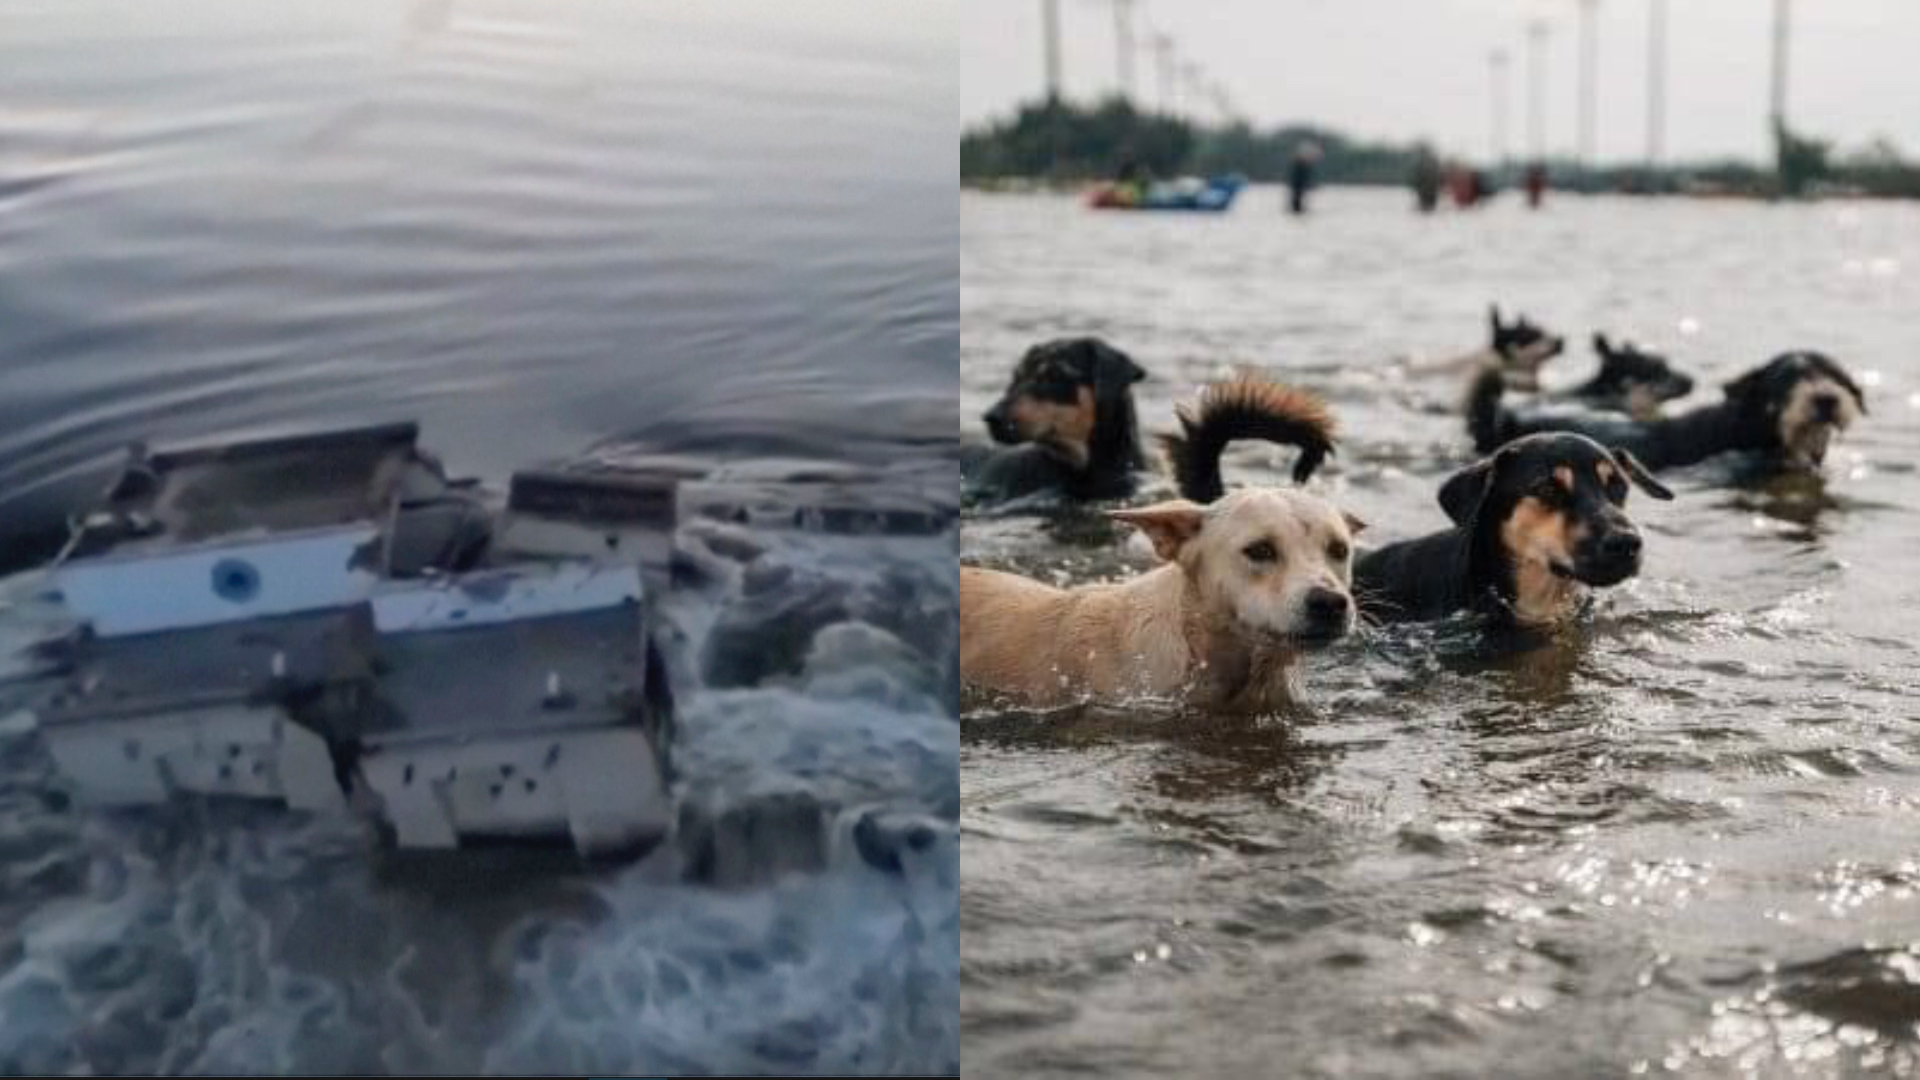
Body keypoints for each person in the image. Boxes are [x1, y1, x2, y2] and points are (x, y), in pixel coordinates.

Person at [1286, 140, 1322, 215]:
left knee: (1298, 199)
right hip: (1297, 186)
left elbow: (1305, 178)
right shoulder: (1300, 165)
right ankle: (1297, 210)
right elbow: (1298, 179)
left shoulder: (1303, 165)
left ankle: (1298, 209)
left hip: (1299, 187)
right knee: (1297, 199)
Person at [1410, 144, 1442, 212]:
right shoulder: (1424, 165)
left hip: (1429, 193)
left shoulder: (1432, 164)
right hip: (1427, 193)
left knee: (1428, 205)